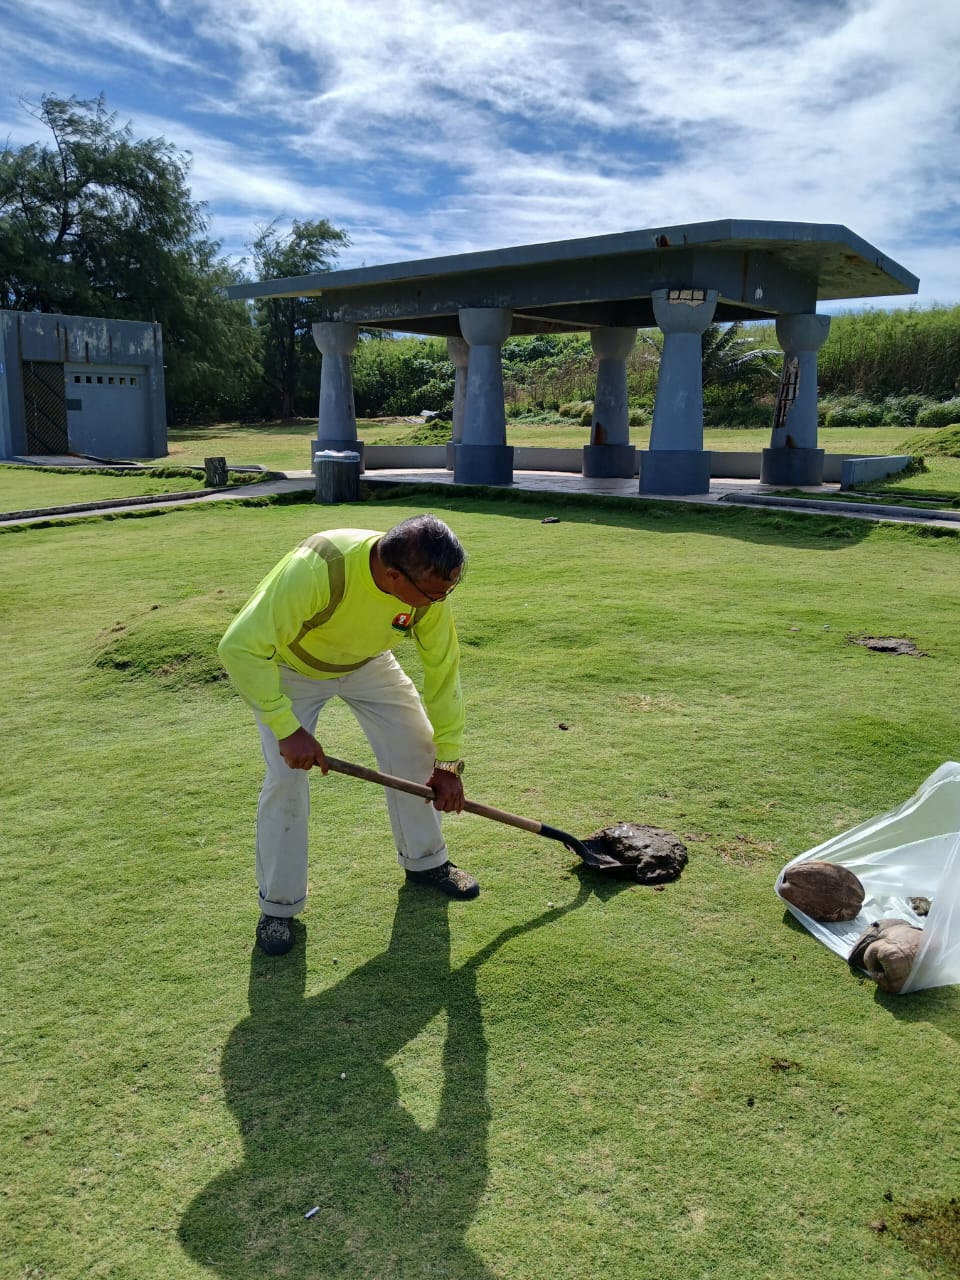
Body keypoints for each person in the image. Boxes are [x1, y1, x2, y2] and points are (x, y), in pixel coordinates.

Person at [218, 514, 477, 956]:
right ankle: (278, 907)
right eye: (435, 593)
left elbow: (442, 670)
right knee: (286, 778)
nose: (440, 600)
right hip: (290, 668)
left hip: (369, 664)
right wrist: (287, 728)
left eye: (448, 589)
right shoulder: (320, 566)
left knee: (417, 746)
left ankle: (425, 863)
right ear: (394, 576)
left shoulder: (428, 590)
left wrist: (447, 763)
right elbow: (238, 647)